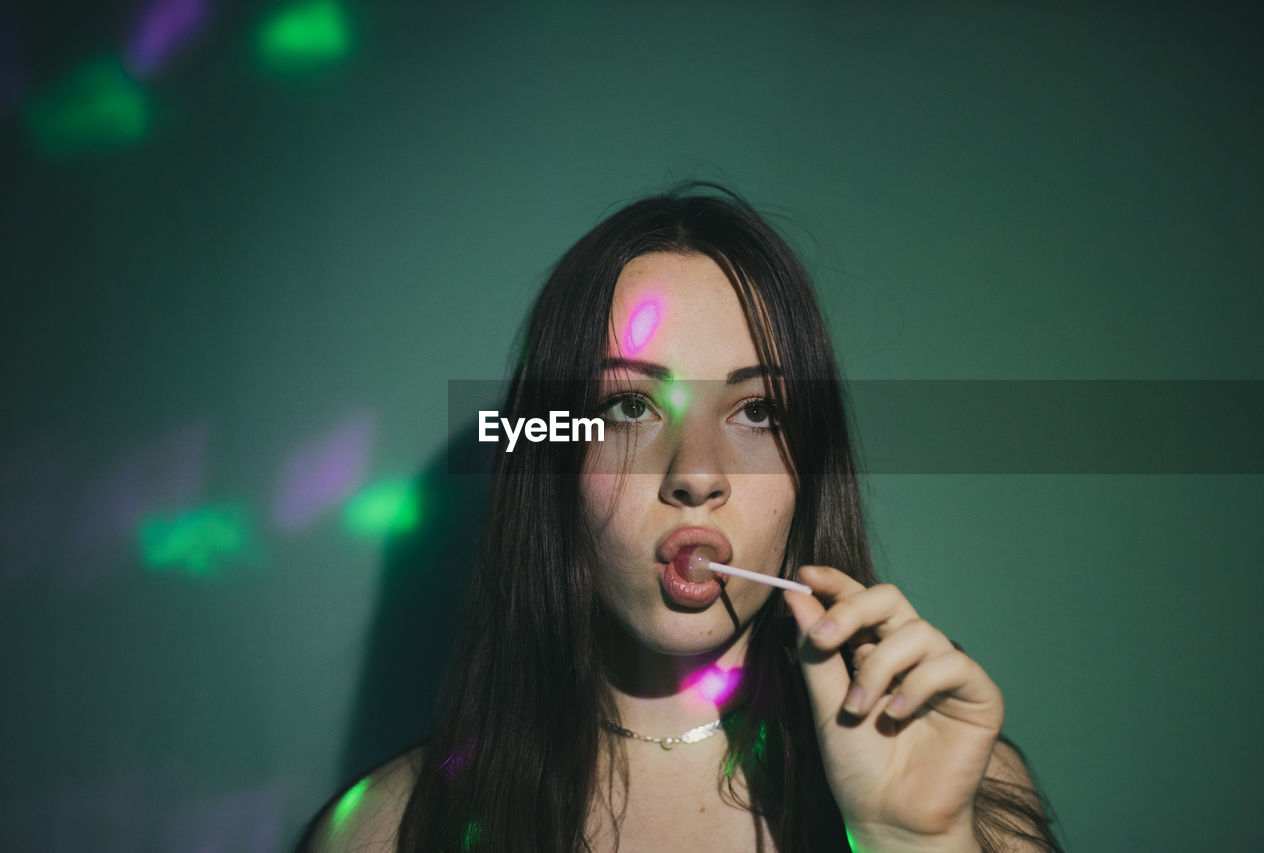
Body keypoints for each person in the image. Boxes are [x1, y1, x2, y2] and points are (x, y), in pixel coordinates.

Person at [296, 184, 1063, 852]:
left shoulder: (965, 802)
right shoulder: (387, 833)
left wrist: (913, 845)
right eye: (630, 406)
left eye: (757, 410)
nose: (697, 474)